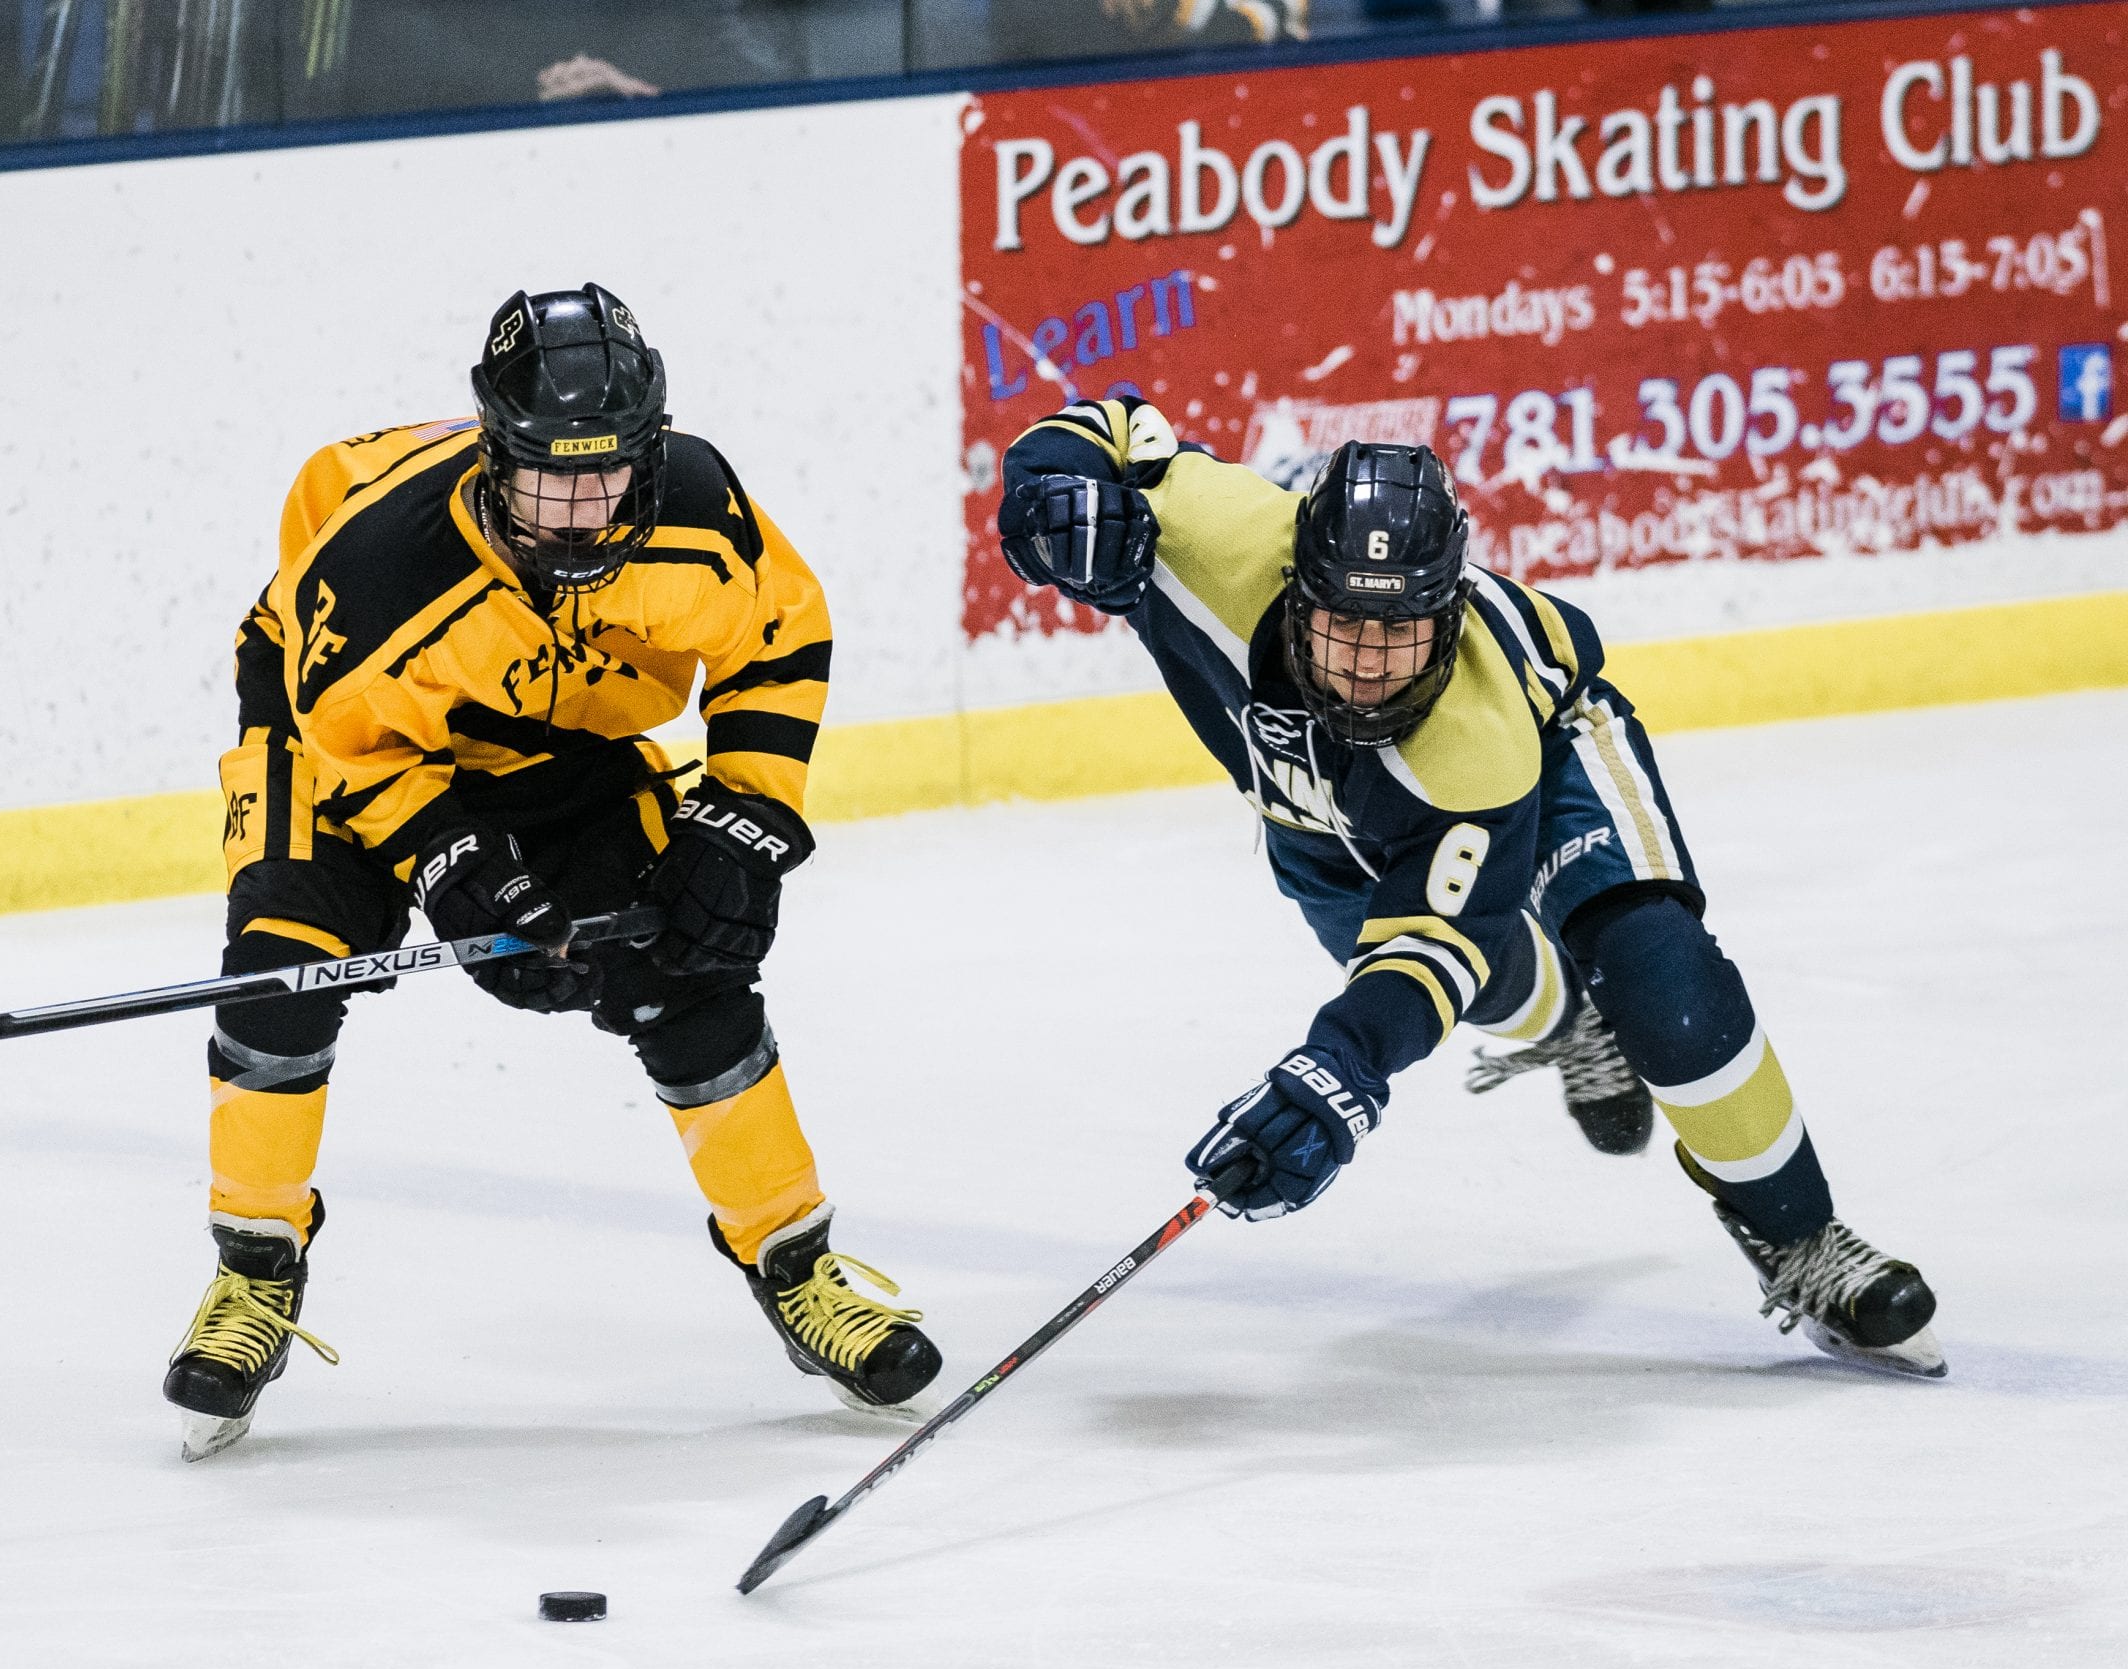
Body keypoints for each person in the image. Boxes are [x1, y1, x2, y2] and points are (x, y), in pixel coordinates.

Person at [998, 397, 1944, 1378]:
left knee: (1662, 979)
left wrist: (1341, 1068)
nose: (1366, 670)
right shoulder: (1205, 534)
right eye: (1340, 627)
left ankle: (1798, 1234)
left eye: (1397, 633)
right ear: (1293, 581)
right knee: (1500, 986)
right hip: (1313, 816)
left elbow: (1431, 946)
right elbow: (1101, 424)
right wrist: (1049, 500)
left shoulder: (1478, 741)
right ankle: (1566, 1023)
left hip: (1552, 749)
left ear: (1445, 615)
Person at [165, 284, 943, 1459]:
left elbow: (779, 637)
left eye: (607, 472)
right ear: (495, 454)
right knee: (281, 981)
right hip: (333, 725)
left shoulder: (692, 502)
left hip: (551, 729)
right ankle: (253, 1273)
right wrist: (453, 862)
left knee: (688, 970)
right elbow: (354, 740)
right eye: (547, 476)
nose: (580, 510)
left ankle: (798, 1268)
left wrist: (745, 819)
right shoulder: (387, 571)